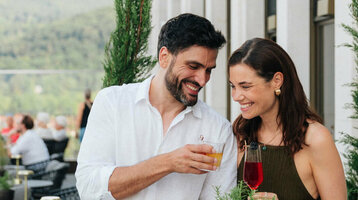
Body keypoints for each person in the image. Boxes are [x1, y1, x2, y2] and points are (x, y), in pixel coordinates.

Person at [76, 13, 237, 199]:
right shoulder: (112, 103)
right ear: (164, 57)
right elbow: (89, 188)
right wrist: (168, 162)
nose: (202, 79)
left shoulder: (218, 129)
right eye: (193, 66)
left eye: (208, 70)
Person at [229, 38, 347, 200]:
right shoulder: (240, 134)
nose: (236, 96)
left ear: (277, 81)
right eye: (232, 86)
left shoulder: (316, 139)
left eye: (245, 86)